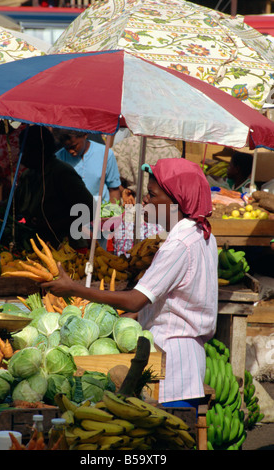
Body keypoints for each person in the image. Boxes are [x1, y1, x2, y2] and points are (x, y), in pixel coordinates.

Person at [40, 158, 218, 408]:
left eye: (152, 194)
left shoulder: (179, 245)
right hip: (182, 358)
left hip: (172, 363)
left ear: (175, 202)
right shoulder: (200, 233)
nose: (144, 200)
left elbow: (136, 298)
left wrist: (74, 289)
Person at [14, 125, 95, 249]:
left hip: (66, 247)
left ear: (39, 150)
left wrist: (52, 224)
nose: (21, 154)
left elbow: (89, 209)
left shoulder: (62, 173)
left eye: (24, 150)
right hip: (38, 245)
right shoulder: (28, 175)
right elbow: (13, 205)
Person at [54, 129, 122, 204]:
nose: (71, 151)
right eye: (67, 148)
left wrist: (112, 213)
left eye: (74, 146)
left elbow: (114, 189)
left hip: (101, 211)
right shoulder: (58, 159)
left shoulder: (106, 154)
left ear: (85, 135)